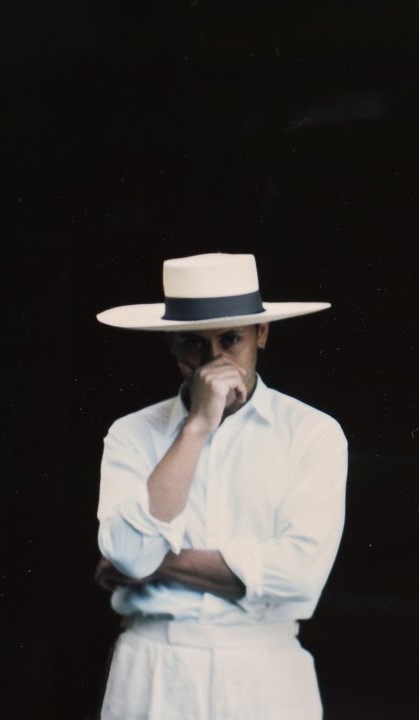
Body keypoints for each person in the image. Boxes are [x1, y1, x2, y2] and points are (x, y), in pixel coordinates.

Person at [93, 253, 348, 720]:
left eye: (231, 339)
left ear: (261, 333)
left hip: (265, 671)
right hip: (153, 667)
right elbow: (129, 553)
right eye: (194, 343)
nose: (214, 360)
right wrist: (196, 427)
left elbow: (299, 574)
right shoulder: (132, 433)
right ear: (171, 344)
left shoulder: (313, 433)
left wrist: (154, 563)